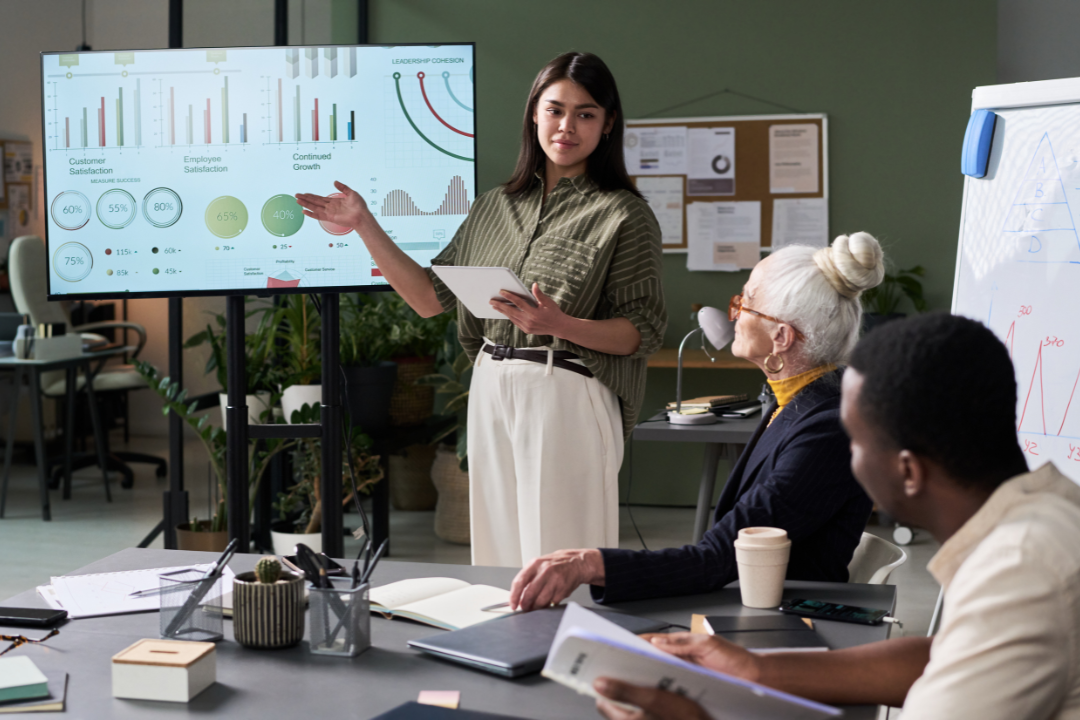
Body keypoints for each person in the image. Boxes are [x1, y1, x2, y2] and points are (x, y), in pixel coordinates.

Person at [594, 313, 1080, 720]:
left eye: (857, 442)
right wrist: (755, 671)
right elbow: (948, 655)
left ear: (907, 470)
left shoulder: (1019, 567)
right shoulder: (1052, 511)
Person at [296, 52, 666, 567]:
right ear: (534, 114)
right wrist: (364, 224)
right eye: (555, 110)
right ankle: (506, 643)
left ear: (607, 126)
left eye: (585, 114)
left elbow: (641, 331)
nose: (566, 126)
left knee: (561, 554)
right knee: (495, 555)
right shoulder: (493, 206)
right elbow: (428, 299)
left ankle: (567, 643)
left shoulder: (624, 213)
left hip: (567, 388)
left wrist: (560, 324)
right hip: (492, 384)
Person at [511, 232, 884, 611]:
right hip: (752, 600)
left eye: (746, 302)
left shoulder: (828, 430)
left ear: (781, 337)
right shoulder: (797, 401)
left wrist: (590, 563)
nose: (734, 314)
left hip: (785, 620)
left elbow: (717, 559)